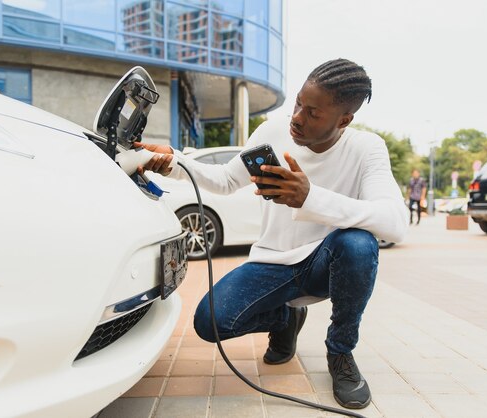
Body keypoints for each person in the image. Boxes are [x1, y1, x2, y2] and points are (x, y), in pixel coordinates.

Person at [136, 58, 407, 410]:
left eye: (313, 113)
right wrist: (173, 160)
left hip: (323, 263)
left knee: (358, 243)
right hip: (272, 262)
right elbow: (225, 180)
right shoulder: (272, 131)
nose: (297, 117)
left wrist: (310, 197)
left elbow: (396, 222)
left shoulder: (366, 148)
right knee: (210, 322)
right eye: (298, 103)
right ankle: (285, 318)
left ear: (344, 120)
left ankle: (340, 352)